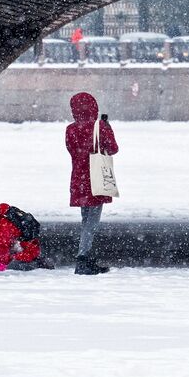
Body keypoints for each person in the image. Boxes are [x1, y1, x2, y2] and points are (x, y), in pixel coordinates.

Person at [65, 91, 118, 275]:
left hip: (78, 179)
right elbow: (113, 149)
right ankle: (83, 259)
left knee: (85, 219)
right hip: (95, 179)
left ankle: (85, 256)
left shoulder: (70, 129)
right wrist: (106, 128)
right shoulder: (100, 126)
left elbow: (73, 151)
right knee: (91, 223)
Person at [0, 199, 53, 272]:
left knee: (17, 265)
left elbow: (2, 245)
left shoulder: (0, 224)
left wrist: (1, 264)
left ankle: (41, 264)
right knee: (28, 256)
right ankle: (40, 262)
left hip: (25, 249)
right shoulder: (1, 214)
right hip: (27, 245)